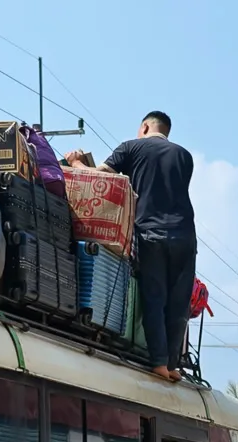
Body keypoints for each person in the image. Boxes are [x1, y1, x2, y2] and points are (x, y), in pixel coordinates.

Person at [65, 112, 195, 382]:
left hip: (151, 234)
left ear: (145, 126)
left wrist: (75, 162)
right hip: (185, 237)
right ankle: (172, 365)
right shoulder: (185, 156)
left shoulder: (131, 147)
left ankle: (159, 363)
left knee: (155, 298)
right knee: (178, 303)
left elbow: (100, 179)